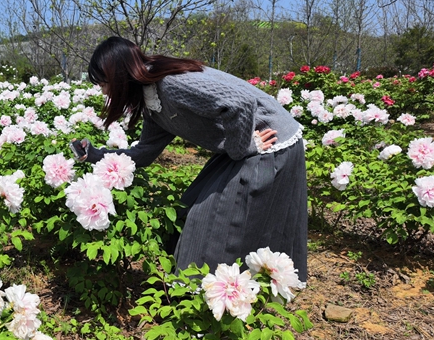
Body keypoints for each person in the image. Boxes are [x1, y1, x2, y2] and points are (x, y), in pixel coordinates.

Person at [75, 36, 307, 281]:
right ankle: (190, 291)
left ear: (121, 76)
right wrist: (95, 155)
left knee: (212, 221)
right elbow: (143, 153)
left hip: (270, 143)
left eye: (104, 82)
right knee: (186, 210)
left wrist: (244, 148)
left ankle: (216, 292)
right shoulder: (154, 104)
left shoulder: (171, 85)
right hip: (242, 146)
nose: (103, 90)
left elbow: (240, 102)